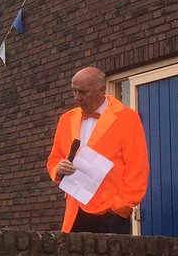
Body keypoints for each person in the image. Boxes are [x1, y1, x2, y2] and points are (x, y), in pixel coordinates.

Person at [45, 66, 149, 234]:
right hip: (76, 208)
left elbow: (137, 166)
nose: (76, 98)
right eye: (74, 91)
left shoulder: (127, 118)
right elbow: (54, 158)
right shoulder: (66, 119)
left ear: (102, 90)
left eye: (83, 92)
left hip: (111, 212)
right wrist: (58, 168)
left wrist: (121, 205)